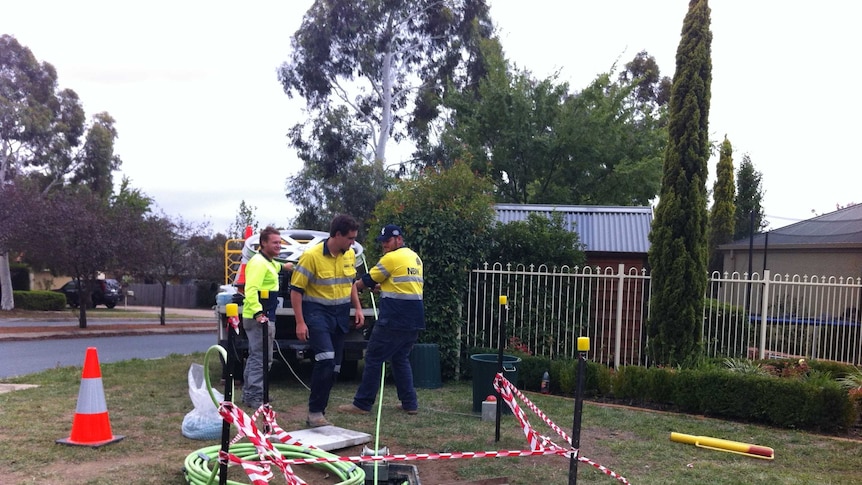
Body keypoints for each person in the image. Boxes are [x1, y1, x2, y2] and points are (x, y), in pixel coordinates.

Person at [338, 224, 424, 416]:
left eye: (387, 240)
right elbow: (403, 286)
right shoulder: (414, 257)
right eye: (383, 241)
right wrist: (382, 288)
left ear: (398, 239)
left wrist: (356, 285)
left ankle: (362, 403)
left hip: (394, 318)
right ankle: (410, 404)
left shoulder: (391, 258)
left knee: (373, 358)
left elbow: (366, 281)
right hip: (414, 317)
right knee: (400, 358)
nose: (384, 244)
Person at [290, 214, 365, 427]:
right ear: (337, 235)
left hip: (340, 314)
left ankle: (319, 412)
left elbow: (350, 282)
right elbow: (296, 291)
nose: (353, 243)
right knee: (325, 359)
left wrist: (357, 308)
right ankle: (314, 412)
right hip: (317, 313)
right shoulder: (311, 256)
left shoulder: (348, 255)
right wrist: (300, 322)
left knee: (335, 367)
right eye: (350, 238)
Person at [241, 226, 292, 410]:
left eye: (280, 242)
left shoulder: (268, 261)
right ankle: (255, 396)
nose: (279, 246)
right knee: (261, 358)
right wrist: (258, 313)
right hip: (259, 318)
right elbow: (251, 289)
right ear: (263, 243)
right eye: (275, 242)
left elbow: (275, 266)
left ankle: (250, 393)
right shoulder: (258, 263)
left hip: (264, 316)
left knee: (258, 356)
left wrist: (285, 266)